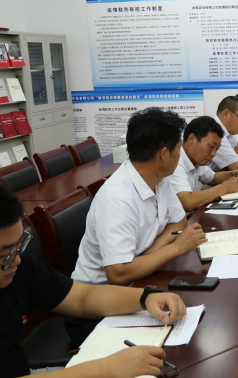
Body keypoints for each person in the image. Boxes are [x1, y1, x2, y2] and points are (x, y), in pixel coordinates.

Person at [0, 179, 186, 378]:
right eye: (4, 255)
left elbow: (82, 297)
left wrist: (146, 297)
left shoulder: (14, 267)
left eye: (20, 246)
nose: (17, 260)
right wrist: (102, 370)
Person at [72, 108, 207, 287]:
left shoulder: (160, 179)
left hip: (144, 275)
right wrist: (175, 248)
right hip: (101, 294)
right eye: (178, 148)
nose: (180, 154)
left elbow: (179, 222)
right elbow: (118, 275)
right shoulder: (118, 200)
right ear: (164, 154)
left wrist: (151, 254)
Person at [170, 116, 238, 212]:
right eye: (211, 147)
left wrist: (236, 174)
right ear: (192, 139)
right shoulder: (175, 162)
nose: (213, 154)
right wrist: (224, 188)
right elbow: (187, 202)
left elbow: (213, 178)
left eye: (217, 149)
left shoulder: (195, 159)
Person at [210, 96, 238, 171]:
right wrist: (234, 157)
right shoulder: (214, 131)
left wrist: (234, 156)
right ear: (226, 114)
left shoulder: (229, 131)